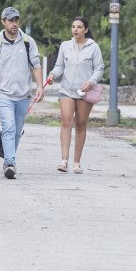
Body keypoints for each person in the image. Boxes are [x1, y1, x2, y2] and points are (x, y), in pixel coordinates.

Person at [0, 6, 45, 179]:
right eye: (10, 20)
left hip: (24, 96)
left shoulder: (28, 42)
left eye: (16, 20)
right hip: (3, 94)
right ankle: (10, 162)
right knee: (9, 128)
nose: (14, 24)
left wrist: (40, 87)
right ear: (3, 21)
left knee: (17, 131)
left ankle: (8, 159)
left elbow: (36, 65)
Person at [47, 16, 104, 174]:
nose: (75, 30)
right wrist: (52, 75)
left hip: (84, 91)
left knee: (80, 124)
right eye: (73, 27)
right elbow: (59, 66)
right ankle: (64, 161)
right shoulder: (65, 46)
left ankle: (76, 163)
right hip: (66, 90)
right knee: (66, 121)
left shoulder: (93, 47)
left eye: (79, 27)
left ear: (85, 30)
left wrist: (91, 82)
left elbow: (99, 68)